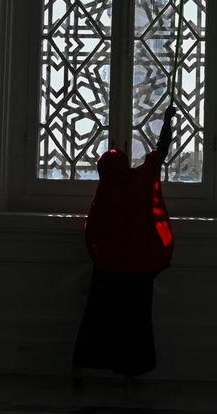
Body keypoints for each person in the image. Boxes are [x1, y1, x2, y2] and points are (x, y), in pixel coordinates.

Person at [72, 102, 177, 381]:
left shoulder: (104, 194)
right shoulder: (138, 180)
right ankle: (130, 373)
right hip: (139, 269)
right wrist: (167, 121)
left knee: (97, 319)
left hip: (108, 269)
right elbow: (161, 151)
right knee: (135, 323)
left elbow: (93, 233)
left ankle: (80, 369)